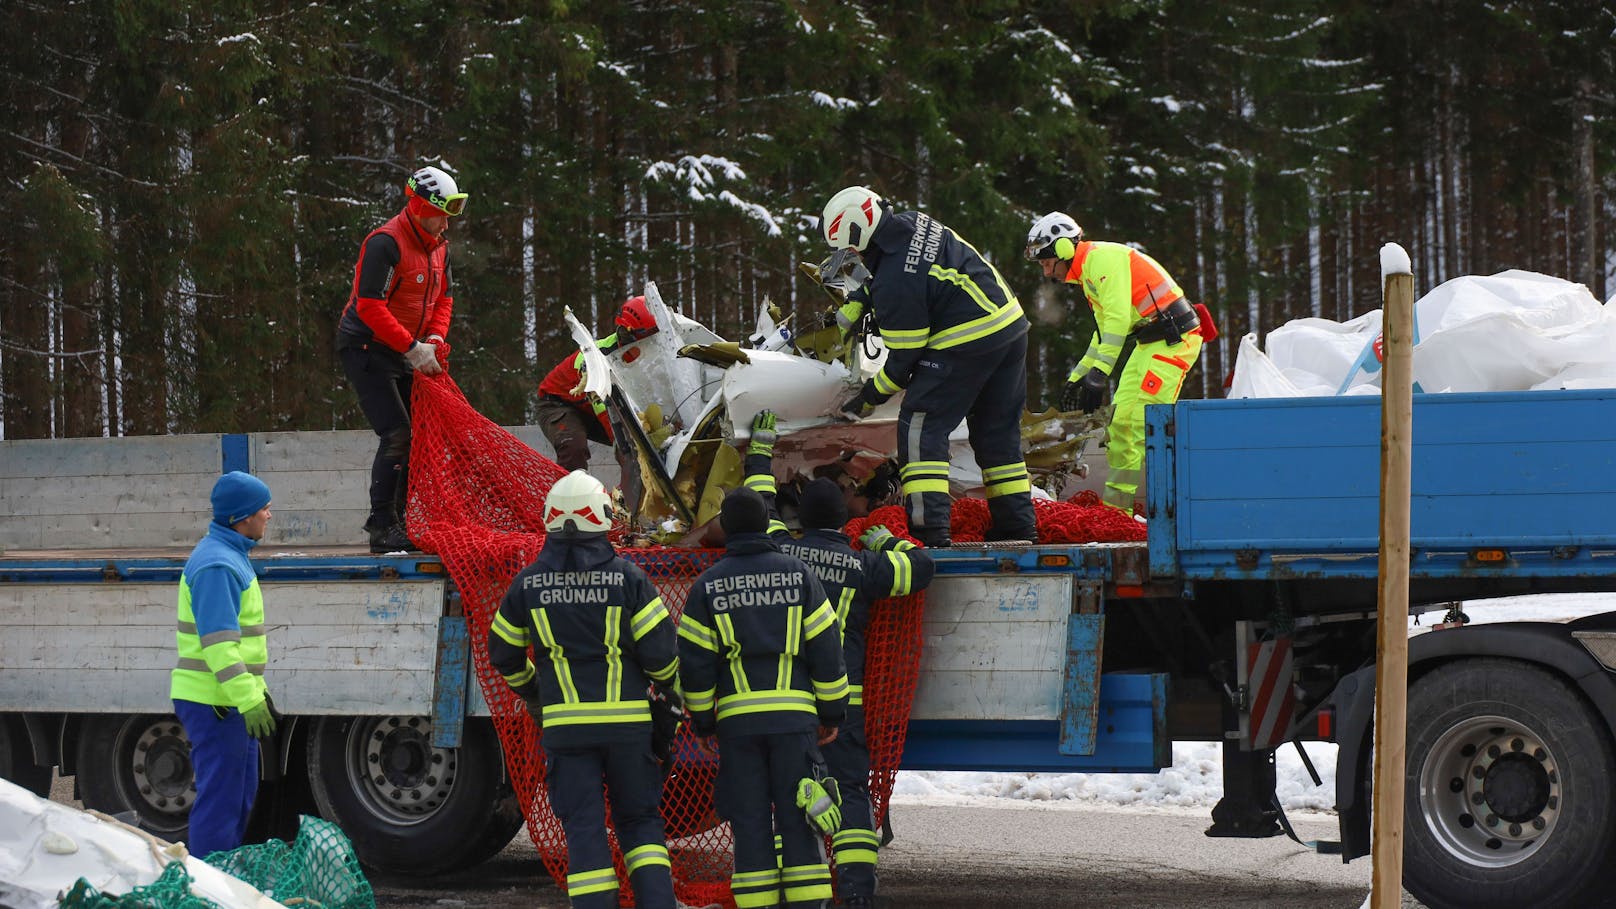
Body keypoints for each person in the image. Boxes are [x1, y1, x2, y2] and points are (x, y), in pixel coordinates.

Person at [741, 411, 935, 909]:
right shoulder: (863, 565)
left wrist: (761, 448)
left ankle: (793, 888)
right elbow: (921, 568)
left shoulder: (782, 552)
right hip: (846, 703)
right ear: (844, 522)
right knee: (849, 791)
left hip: (791, 701)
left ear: (801, 520)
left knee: (789, 791)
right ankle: (856, 890)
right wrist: (884, 539)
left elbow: (758, 507)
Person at [488, 470, 680, 909]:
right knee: (641, 823)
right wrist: (675, 699)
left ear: (551, 520)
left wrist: (534, 694)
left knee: (584, 827)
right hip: (629, 730)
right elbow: (661, 658)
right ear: (604, 517)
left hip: (566, 731)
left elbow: (503, 654)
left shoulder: (528, 583)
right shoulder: (630, 579)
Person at [821, 186, 1036, 548]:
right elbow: (913, 269)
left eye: (850, 248)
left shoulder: (894, 282)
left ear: (858, 233)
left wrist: (870, 395)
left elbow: (905, 359)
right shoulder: (913, 223)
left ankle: (929, 532)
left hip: (967, 339)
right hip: (1009, 328)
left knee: (920, 426)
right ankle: (1017, 527)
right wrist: (863, 296)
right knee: (997, 434)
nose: (852, 255)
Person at [677, 486, 849, 909]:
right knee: (800, 821)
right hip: (795, 724)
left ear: (729, 530)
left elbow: (695, 666)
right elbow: (827, 649)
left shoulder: (707, 586)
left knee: (750, 825)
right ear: (765, 524)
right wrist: (831, 712)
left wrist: (702, 723)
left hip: (738, 728)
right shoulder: (798, 574)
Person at [1026, 212, 1208, 513]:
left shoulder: (1101, 261)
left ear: (1063, 251)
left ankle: (1174, 507)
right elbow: (1102, 335)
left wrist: (1099, 375)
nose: (1046, 273)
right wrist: (1078, 377)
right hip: (1151, 341)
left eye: (1047, 263)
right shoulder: (1089, 271)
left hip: (1173, 341)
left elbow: (1118, 320)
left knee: (1140, 423)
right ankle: (1116, 511)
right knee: (1120, 426)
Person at [337, 165, 467, 553]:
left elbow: (444, 299)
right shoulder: (384, 243)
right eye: (441, 213)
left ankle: (403, 522)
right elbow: (369, 306)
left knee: (420, 436)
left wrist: (434, 337)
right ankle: (382, 527)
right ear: (419, 206)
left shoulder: (440, 248)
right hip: (366, 347)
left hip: (408, 348)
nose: (446, 223)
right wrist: (411, 347)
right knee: (397, 433)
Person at [171, 470, 278, 857]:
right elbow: (219, 647)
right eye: (263, 509)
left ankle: (221, 882)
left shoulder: (229, 555)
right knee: (221, 804)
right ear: (241, 517)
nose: (269, 515)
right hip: (215, 703)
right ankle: (208, 887)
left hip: (224, 701)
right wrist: (248, 699)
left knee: (236, 799)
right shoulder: (218, 565)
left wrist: (254, 693)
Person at [536, 296, 660, 472]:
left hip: (590, 407)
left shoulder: (646, 355)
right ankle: (569, 496)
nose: (651, 344)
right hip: (558, 403)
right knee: (574, 448)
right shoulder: (596, 360)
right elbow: (605, 410)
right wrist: (628, 454)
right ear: (628, 334)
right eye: (646, 339)